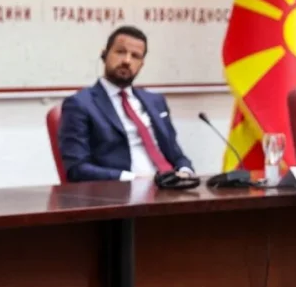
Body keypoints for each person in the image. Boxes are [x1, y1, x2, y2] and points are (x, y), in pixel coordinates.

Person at [58, 25, 194, 183]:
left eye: (135, 56)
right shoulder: (80, 104)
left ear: (141, 64)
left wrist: (185, 171)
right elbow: (77, 168)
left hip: (170, 186)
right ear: (104, 54)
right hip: (124, 191)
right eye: (120, 52)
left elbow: (176, 155)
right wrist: (133, 179)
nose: (127, 61)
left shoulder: (156, 101)